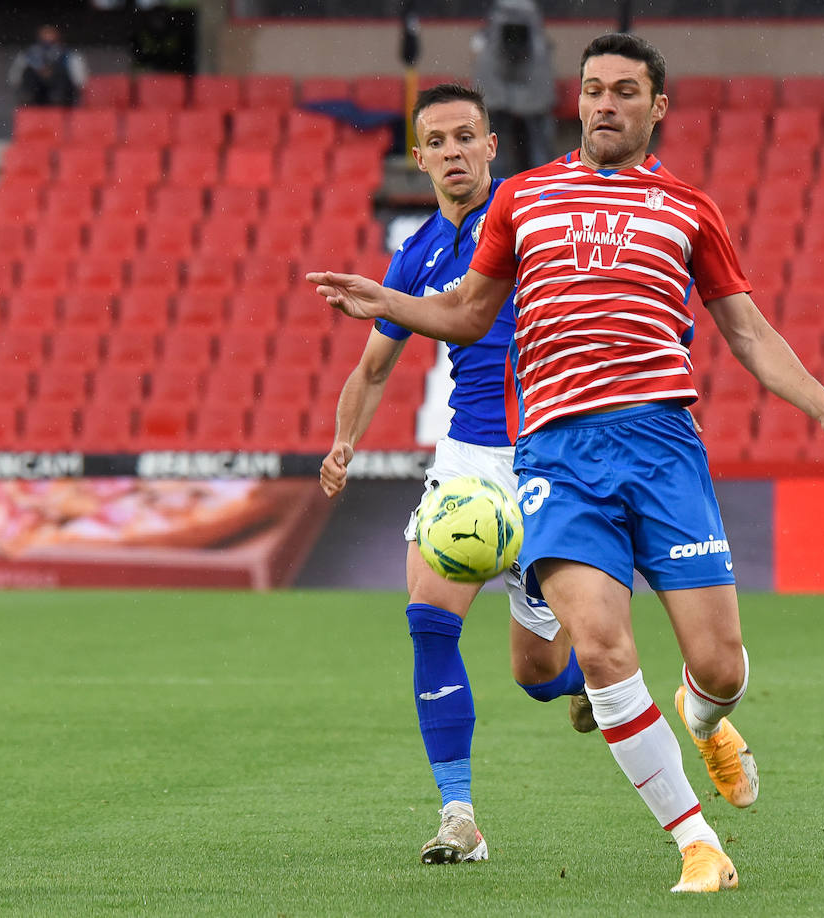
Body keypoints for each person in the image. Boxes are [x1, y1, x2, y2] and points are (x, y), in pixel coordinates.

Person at [309, 32, 824, 894]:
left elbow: (749, 334)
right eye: (591, 89)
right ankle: (696, 843)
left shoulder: (692, 208)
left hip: (661, 447)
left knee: (721, 665)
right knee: (604, 651)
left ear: (657, 107)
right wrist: (386, 300)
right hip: (555, 455)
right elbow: (469, 315)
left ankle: (705, 716)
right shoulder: (527, 202)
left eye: (624, 90)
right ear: (574, 101)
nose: (604, 103)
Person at [318, 83, 592, 867]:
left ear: (492, 145)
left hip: (547, 459)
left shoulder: (536, 217)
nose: (452, 153)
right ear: (419, 157)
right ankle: (458, 816)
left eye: (465, 137)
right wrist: (344, 443)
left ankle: (580, 683)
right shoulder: (415, 254)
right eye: (436, 141)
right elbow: (373, 371)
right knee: (429, 623)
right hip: (467, 463)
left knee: (534, 673)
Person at [471, 0, 556, 176]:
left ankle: (496, 192)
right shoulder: (536, 37)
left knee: (494, 147)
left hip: (498, 94)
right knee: (538, 148)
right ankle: (543, 189)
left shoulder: (493, 32)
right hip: (531, 95)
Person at [8, 25, 88, 107]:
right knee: (29, 73)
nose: (48, 37)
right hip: (37, 93)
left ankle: (57, 98)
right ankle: (29, 97)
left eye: (50, 33)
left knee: (61, 76)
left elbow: (80, 79)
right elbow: (16, 75)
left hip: (63, 95)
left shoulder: (69, 55)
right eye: (45, 34)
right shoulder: (28, 54)